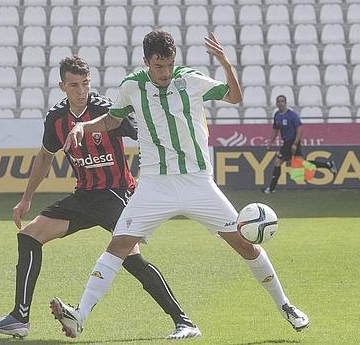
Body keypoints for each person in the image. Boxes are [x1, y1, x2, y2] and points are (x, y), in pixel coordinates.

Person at [49, 30, 309, 339]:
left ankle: (286, 305)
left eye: (170, 64)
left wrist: (225, 62)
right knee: (118, 244)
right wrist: (83, 125)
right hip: (154, 184)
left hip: (197, 182)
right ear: (147, 62)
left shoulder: (192, 80)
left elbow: (235, 97)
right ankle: (80, 315)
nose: (165, 73)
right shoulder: (132, 86)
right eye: (158, 66)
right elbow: (112, 120)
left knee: (243, 243)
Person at [0, 55, 201, 340]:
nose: (81, 90)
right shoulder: (56, 118)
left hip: (116, 194)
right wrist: (26, 199)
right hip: (84, 195)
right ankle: (19, 318)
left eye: (85, 84)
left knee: (131, 259)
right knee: (30, 235)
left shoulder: (107, 110)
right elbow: (46, 156)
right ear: (62, 86)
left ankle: (183, 321)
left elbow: (147, 134)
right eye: (74, 85)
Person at [262, 95, 336, 194]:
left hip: (292, 141)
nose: (280, 103)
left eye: (282, 101)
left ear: (285, 103)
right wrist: (270, 142)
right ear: (276, 103)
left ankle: (271, 189)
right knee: (301, 163)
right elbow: (275, 129)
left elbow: (299, 129)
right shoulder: (277, 115)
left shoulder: (291, 115)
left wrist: (295, 144)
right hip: (286, 142)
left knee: (278, 162)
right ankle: (328, 165)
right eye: (278, 101)